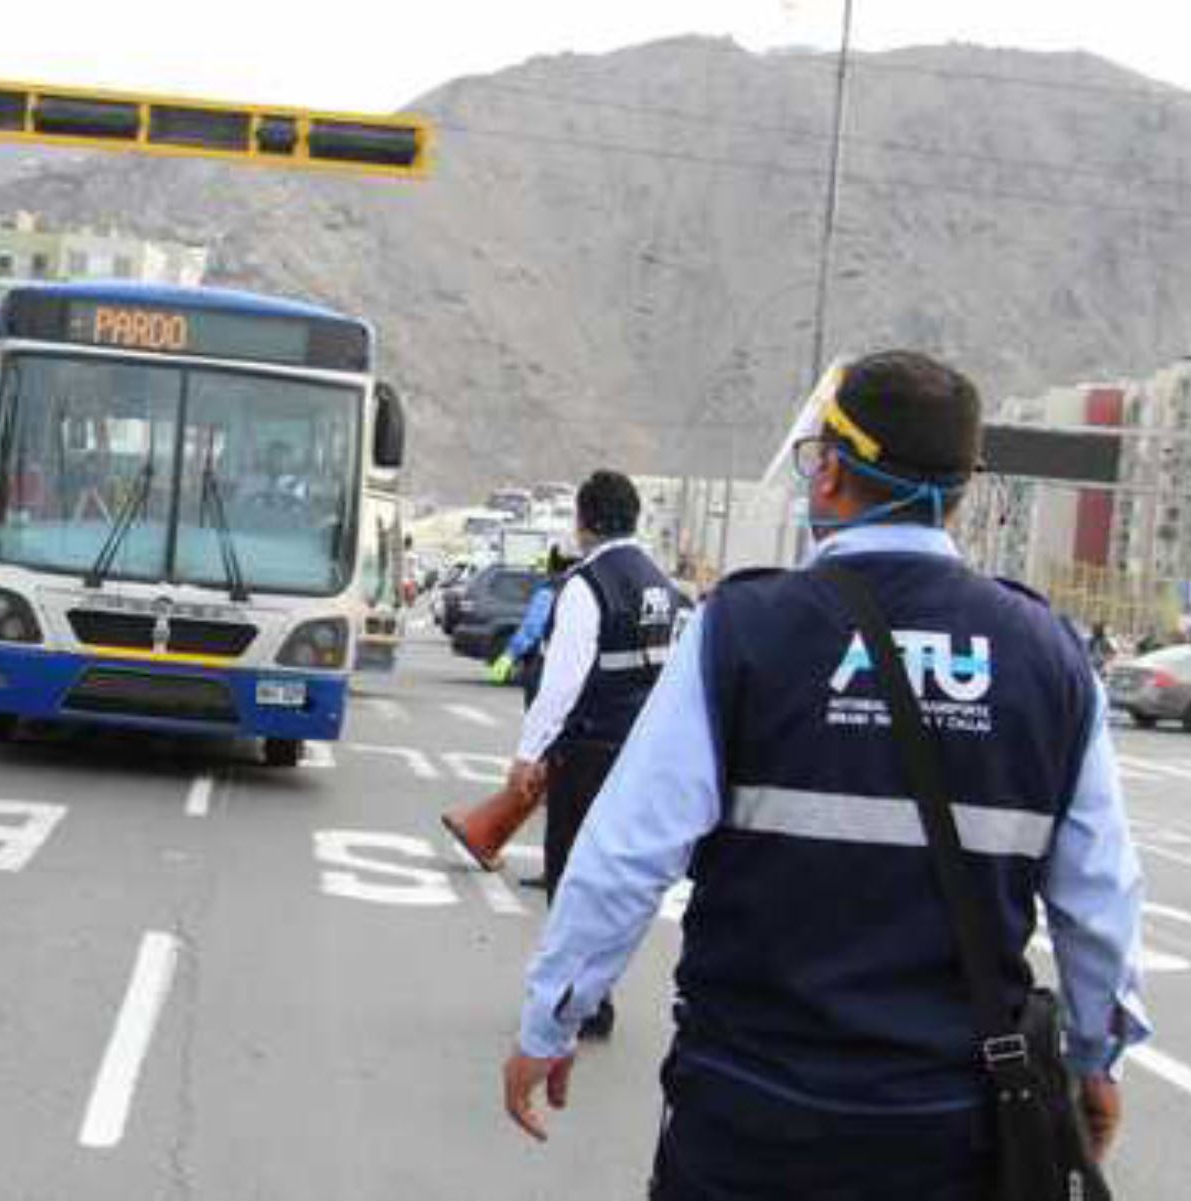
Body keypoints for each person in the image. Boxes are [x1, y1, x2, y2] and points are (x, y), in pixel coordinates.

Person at [502, 351, 1150, 1198]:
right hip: (947, 1131)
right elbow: (1100, 897)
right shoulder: (1049, 657)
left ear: (834, 470)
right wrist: (1096, 1056)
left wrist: (553, 1016)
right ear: (961, 488)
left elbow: (625, 854)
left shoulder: (744, 631)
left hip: (748, 1116)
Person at [505, 469, 684, 1040]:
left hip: (588, 751)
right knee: (614, 879)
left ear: (584, 521)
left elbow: (561, 682)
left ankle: (572, 1002)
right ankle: (598, 995)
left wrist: (528, 753)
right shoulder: (664, 586)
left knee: (571, 876)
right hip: (642, 755)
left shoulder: (588, 585)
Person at [487, 545, 574, 697]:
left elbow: (532, 629)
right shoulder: (584, 589)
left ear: (551, 566)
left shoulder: (549, 592)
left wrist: (509, 656)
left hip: (547, 666)